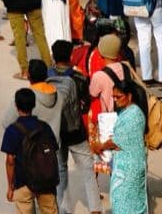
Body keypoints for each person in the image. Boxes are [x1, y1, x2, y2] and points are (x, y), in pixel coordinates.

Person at [47, 40, 103, 214]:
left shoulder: (47, 77)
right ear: (71, 55)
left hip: (55, 132)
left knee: (61, 170)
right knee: (87, 171)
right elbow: (85, 103)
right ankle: (95, 209)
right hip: (76, 131)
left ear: (54, 56)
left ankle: (63, 210)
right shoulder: (79, 78)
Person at [89, 76, 149, 214]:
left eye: (118, 97)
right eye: (114, 97)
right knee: (133, 203)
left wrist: (99, 146)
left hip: (128, 170)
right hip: (131, 165)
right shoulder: (130, 111)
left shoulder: (132, 115)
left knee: (125, 204)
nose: (115, 100)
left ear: (129, 96)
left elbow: (116, 142)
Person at [1, 87, 60, 214]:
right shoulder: (44, 127)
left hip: (23, 182)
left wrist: (10, 187)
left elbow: (10, 161)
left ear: (16, 106)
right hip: (46, 181)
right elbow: (53, 151)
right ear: (34, 105)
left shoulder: (12, 130)